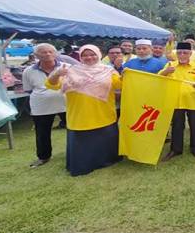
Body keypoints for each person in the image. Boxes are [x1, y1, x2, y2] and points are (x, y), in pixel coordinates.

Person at [46, 45, 122, 176]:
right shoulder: (70, 70)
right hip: (80, 114)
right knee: (82, 141)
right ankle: (83, 165)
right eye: (85, 55)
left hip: (103, 112)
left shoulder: (109, 71)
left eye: (92, 54)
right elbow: (51, 85)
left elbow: (120, 85)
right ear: (80, 57)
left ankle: (107, 161)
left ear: (98, 55)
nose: (89, 57)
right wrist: (56, 74)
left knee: (105, 138)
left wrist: (122, 71)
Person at [160, 42, 195, 160]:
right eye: (179, 53)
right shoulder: (170, 65)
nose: (182, 55)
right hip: (176, 102)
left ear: (190, 54)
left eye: (185, 53)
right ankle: (175, 150)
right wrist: (165, 72)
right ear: (176, 54)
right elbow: (158, 79)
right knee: (177, 126)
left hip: (193, 102)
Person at [22, 43, 67, 168]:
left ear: (55, 53)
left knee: (74, 130)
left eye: (50, 51)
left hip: (66, 104)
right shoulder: (28, 71)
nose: (47, 54)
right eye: (43, 52)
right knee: (42, 133)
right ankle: (43, 157)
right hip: (41, 106)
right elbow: (28, 89)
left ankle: (75, 151)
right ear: (36, 55)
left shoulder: (66, 67)